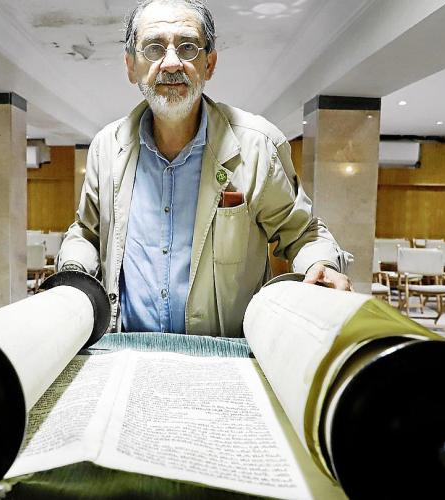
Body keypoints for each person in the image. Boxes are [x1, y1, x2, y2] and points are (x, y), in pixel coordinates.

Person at [57, 0, 352, 337]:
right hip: (129, 350)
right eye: (154, 48)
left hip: (227, 353)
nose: (171, 63)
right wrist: (73, 269)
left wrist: (320, 263)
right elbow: (87, 233)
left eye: (188, 47)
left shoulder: (258, 145)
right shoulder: (107, 148)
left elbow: (302, 234)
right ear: (131, 66)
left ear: (209, 63)